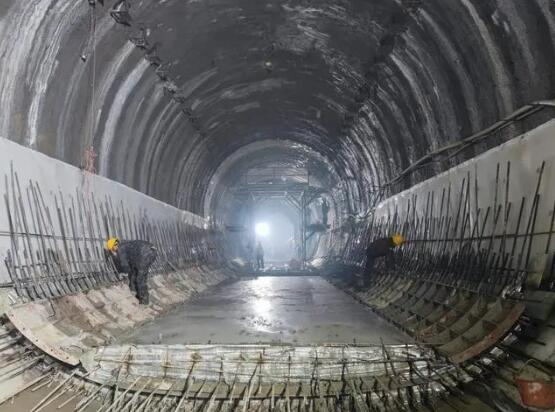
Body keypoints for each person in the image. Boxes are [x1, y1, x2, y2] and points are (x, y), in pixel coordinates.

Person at [105, 237, 157, 305]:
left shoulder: (120, 249)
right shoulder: (126, 244)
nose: (113, 252)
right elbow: (132, 257)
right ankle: (136, 293)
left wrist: (123, 273)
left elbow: (124, 264)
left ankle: (144, 301)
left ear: (114, 247)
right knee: (136, 272)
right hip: (151, 250)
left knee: (140, 279)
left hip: (145, 254)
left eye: (112, 250)